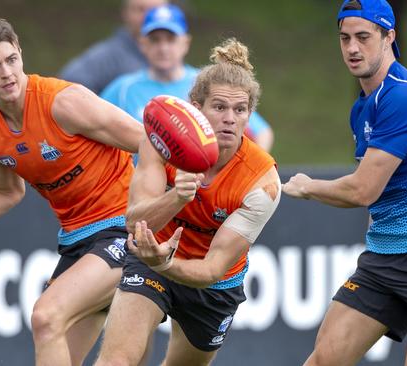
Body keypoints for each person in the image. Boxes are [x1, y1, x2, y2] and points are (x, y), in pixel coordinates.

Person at [0, 16, 144, 366]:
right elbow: (6, 191)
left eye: (11, 60)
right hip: (78, 242)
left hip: (125, 228)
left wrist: (172, 201)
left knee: (45, 316)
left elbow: (148, 142)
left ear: (21, 53)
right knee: (61, 354)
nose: (7, 73)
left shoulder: (64, 102)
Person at [282, 0, 407, 365]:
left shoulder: (406, 95)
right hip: (386, 258)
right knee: (323, 359)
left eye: (363, 37)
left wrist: (308, 187)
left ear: (389, 36)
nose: (352, 48)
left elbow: (363, 190)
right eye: (344, 38)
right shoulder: (362, 108)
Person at [95, 37, 281, 365]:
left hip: (213, 285)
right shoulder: (159, 139)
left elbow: (212, 268)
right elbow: (134, 221)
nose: (229, 118)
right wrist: (177, 197)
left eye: (240, 110)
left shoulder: (262, 182)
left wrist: (165, 262)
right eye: (219, 107)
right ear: (196, 107)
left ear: (249, 115)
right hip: (152, 257)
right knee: (116, 361)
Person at [102, 4, 275, 153]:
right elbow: (95, 127)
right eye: (155, 40)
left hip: (195, 187)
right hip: (139, 187)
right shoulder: (123, 89)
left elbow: (262, 132)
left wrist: (247, 173)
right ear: (142, 44)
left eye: (171, 39)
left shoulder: (208, 83)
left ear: (185, 43)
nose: (163, 48)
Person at [58, 0, 167, 94]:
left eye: (154, 10)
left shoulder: (176, 63)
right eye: (140, 9)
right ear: (125, 13)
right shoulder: (105, 58)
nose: (147, 17)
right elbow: (65, 89)